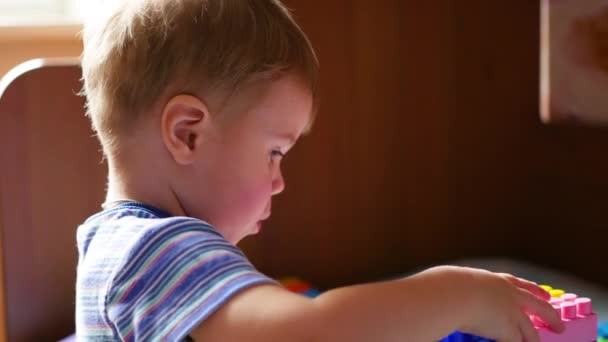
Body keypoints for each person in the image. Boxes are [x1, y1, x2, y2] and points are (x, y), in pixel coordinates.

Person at [75, 0, 565, 340]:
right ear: (188, 134)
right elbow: (310, 335)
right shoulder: (160, 249)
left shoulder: (112, 246)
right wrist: (457, 295)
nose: (279, 180)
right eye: (274, 152)